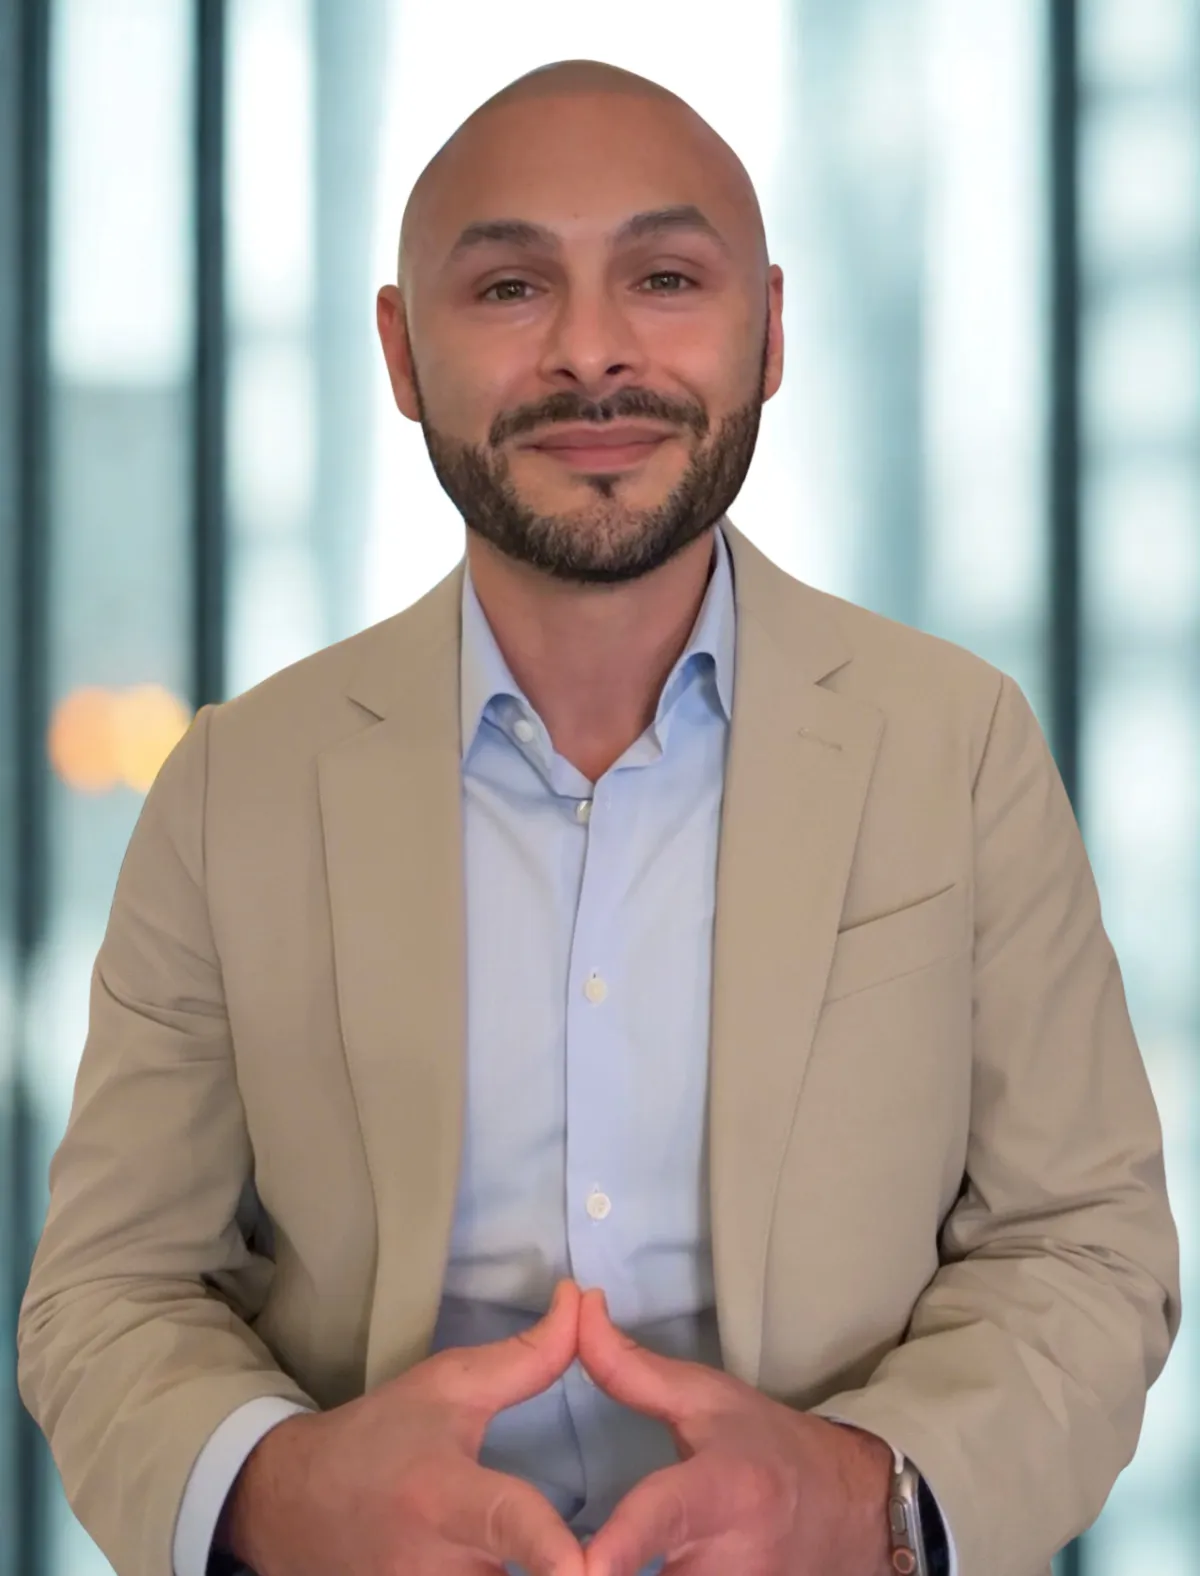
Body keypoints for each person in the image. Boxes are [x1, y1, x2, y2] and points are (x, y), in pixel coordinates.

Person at [17, 56, 1179, 1576]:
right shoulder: (236, 786)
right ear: (400, 350)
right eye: (508, 288)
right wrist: (284, 1493)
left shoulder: (956, 745)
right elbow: (109, 1291)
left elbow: (1084, 1246)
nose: (591, 354)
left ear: (770, 331)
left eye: (665, 277)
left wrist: (858, 1497)